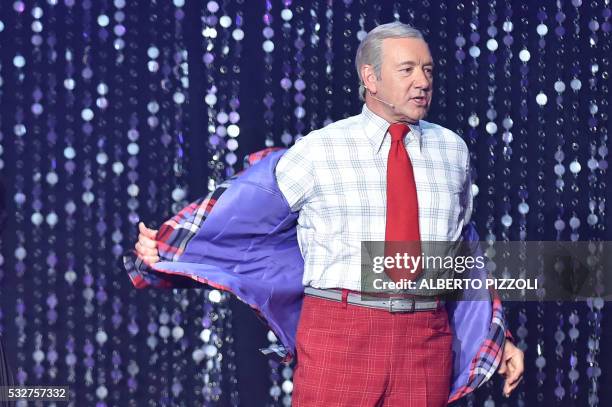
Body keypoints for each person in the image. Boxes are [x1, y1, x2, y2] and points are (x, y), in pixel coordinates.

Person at [133, 22, 523, 406]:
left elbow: (462, 255)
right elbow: (240, 209)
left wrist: (496, 334)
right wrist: (171, 245)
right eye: (407, 70)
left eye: (428, 70)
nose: (422, 81)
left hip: (425, 340)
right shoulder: (320, 150)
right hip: (341, 335)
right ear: (370, 78)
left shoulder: (452, 151)